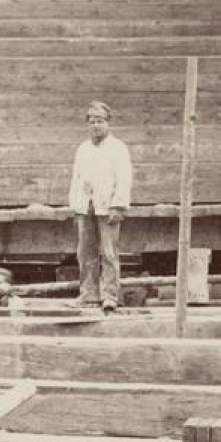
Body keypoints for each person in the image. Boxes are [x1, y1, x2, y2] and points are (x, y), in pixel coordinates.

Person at [67, 100, 132, 313]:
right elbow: (77, 178)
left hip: (108, 206)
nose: (96, 125)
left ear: (108, 123)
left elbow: (124, 179)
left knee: (109, 253)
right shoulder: (83, 149)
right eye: (92, 122)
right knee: (85, 253)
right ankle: (88, 295)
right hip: (86, 206)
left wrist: (118, 206)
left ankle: (110, 296)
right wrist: (76, 205)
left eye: (100, 121)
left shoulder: (118, 148)